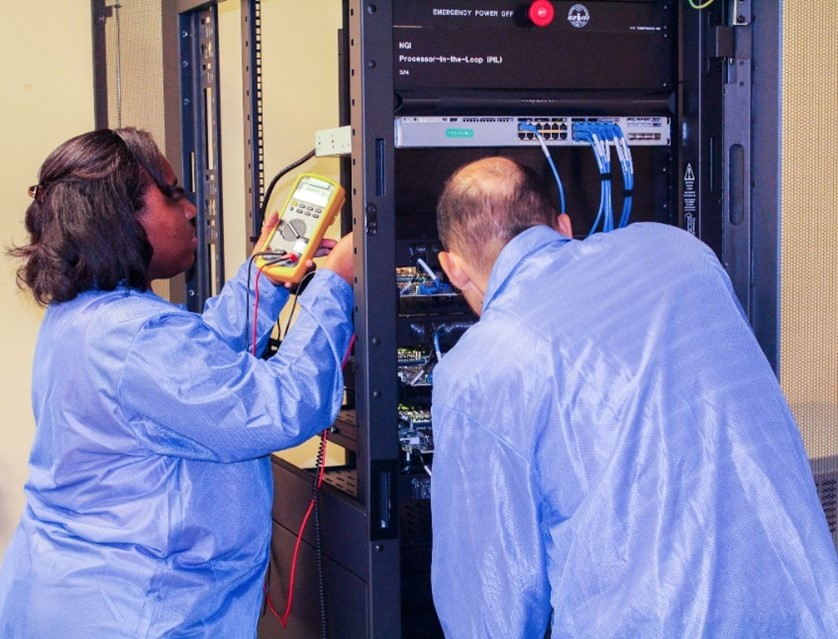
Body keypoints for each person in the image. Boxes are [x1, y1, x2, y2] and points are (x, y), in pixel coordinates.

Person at [429, 156, 838, 638]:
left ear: (453, 269)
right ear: (563, 226)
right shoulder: (679, 250)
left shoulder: (478, 369)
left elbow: (490, 610)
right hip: (809, 610)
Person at [0, 127, 354, 638]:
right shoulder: (135, 337)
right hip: (133, 612)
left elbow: (193, 374)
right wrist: (335, 287)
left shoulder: (88, 316)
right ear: (120, 218)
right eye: (170, 194)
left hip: (70, 595)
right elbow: (282, 407)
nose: (189, 210)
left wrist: (263, 281)